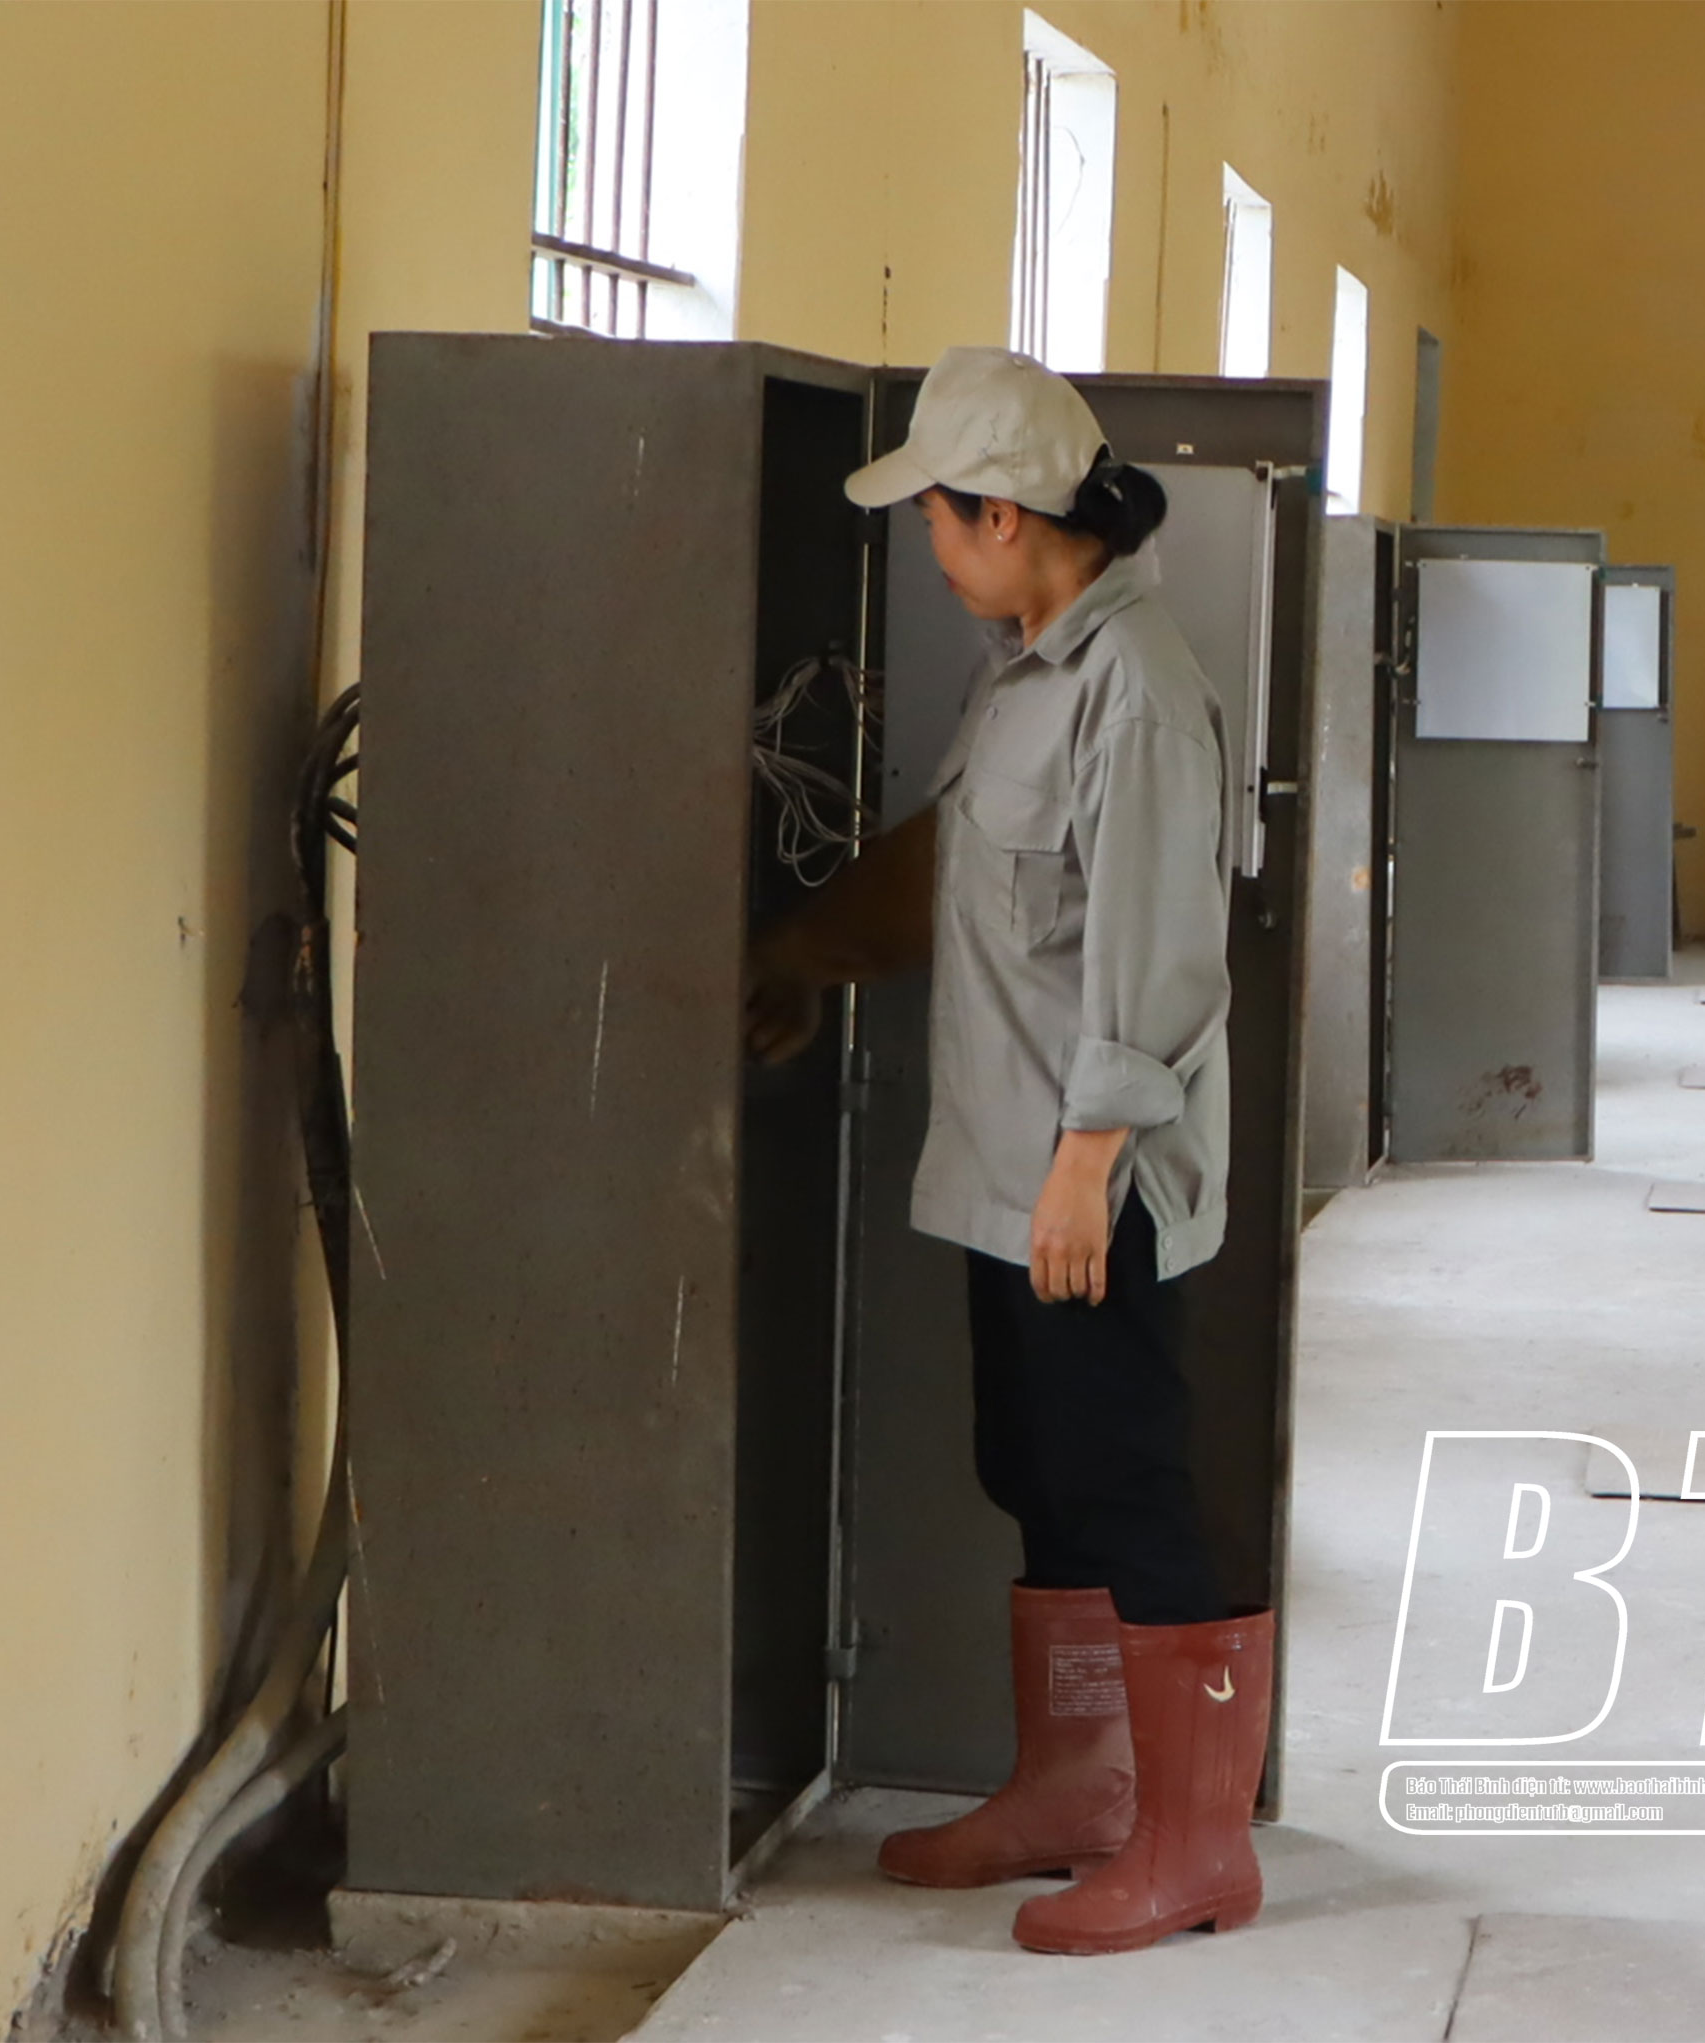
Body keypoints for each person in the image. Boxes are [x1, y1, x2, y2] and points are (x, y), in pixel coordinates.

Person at [743, 346, 1272, 1957]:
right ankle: (1073, 1794)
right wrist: (808, 956)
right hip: (1008, 1163)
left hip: (1087, 1178)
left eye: (934, 514)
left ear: (1002, 514)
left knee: (1127, 1483)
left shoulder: (1136, 689)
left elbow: (1160, 956)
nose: (925, 541)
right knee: (1037, 1475)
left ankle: (1196, 1850)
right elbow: (960, 878)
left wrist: (1085, 1163)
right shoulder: (1024, 673)